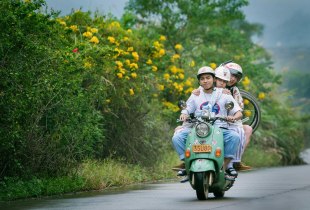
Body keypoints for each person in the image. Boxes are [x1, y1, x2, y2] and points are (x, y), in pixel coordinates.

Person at [171, 66, 242, 179]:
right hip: (199, 128)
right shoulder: (196, 94)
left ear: (214, 79)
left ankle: (225, 165)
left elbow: (238, 112)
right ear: (199, 81)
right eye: (202, 78)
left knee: (235, 137)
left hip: (219, 128)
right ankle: (186, 163)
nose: (205, 81)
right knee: (177, 138)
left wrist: (233, 117)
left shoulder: (224, 94)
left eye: (208, 78)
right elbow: (187, 108)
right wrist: (184, 113)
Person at [192, 62, 252, 172]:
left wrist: (232, 113)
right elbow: (194, 102)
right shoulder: (205, 86)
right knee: (181, 131)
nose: (232, 79)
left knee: (241, 131)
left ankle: (233, 162)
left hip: (227, 121)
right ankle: (187, 161)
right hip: (205, 122)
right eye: (231, 75)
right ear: (215, 78)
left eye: (236, 77)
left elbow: (239, 109)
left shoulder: (233, 91)